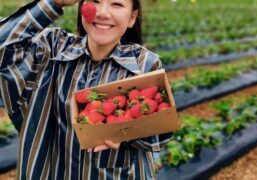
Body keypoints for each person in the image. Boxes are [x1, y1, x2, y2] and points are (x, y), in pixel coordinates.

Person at [0, 0, 172, 179]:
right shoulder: (51, 50)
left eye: (117, 4)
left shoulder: (144, 64)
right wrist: (52, 3)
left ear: (132, 17)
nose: (103, 12)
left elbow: (161, 135)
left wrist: (129, 134)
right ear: (81, 8)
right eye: (95, 1)